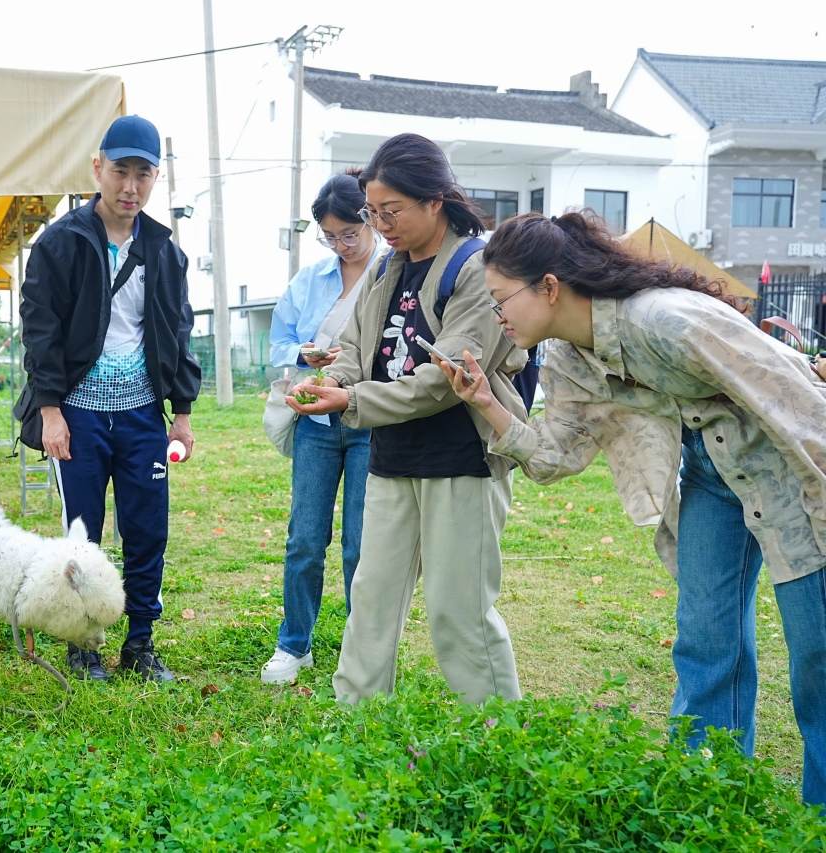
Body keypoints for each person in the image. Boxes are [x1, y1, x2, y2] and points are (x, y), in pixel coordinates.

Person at [437, 210, 826, 807]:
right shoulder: (570, 357)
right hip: (713, 473)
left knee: (817, 661)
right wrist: (487, 403)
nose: (497, 316)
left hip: (792, 470)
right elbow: (556, 456)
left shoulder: (668, 321)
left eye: (501, 299)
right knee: (705, 639)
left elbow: (798, 404)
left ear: (548, 286)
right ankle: (706, 797)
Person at [287, 133, 527, 705]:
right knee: (372, 598)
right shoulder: (385, 269)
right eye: (373, 213)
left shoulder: (476, 268)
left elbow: (447, 377)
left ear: (435, 200)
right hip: (392, 455)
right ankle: (357, 720)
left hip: (461, 460)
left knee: (458, 609)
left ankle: (498, 732)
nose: (381, 225)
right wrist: (333, 380)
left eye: (390, 211)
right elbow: (355, 344)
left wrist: (351, 401)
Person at [19, 114, 202, 683]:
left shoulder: (163, 251)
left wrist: (182, 414)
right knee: (82, 534)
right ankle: (83, 644)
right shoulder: (62, 243)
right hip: (77, 414)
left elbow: (177, 331)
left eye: (143, 175)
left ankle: (140, 642)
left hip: (143, 413)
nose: (130, 186)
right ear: (98, 168)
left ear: (155, 179)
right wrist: (50, 412)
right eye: (121, 172)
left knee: (148, 530)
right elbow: (40, 331)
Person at [261, 173, 385, 685]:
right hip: (315, 418)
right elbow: (278, 343)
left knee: (362, 544)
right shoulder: (310, 279)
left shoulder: (392, 273)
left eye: (349, 234)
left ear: (370, 220)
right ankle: (294, 643)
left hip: (369, 419)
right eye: (330, 236)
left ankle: (363, 649)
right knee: (305, 539)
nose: (341, 245)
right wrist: (303, 353)